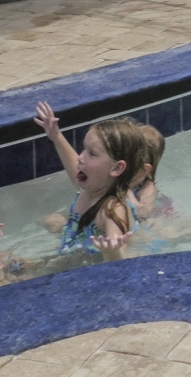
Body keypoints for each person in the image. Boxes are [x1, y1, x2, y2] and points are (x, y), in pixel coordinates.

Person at [33, 102, 147, 261]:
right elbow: (73, 165)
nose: (80, 157)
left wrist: (112, 252)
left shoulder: (112, 210)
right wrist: (56, 136)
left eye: (92, 154)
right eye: (83, 149)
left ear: (116, 168)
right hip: (74, 248)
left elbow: (119, 262)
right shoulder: (92, 185)